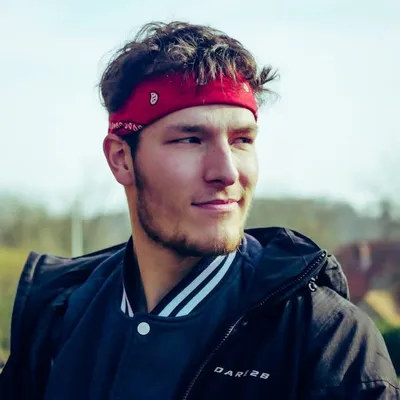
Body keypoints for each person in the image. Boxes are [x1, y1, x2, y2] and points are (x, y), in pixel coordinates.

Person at [0, 21, 399, 400]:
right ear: (121, 159)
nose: (227, 172)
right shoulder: (57, 318)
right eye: (190, 139)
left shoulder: (327, 342)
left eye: (242, 140)